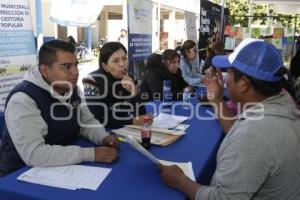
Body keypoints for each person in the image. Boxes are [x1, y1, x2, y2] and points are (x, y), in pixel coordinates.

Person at [158, 38, 300, 199]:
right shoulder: (282, 104)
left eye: (230, 73)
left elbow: (221, 197)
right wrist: (217, 100)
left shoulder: (252, 136)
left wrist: (180, 181)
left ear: (244, 84)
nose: (225, 79)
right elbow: (239, 133)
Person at [0, 40, 119, 177]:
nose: (75, 72)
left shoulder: (71, 88)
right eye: (66, 67)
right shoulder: (23, 100)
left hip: (61, 165)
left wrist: (103, 137)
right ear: (44, 70)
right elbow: (34, 154)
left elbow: (86, 122)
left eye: (76, 65)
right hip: (20, 174)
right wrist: (90, 154)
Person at [83, 42, 146, 129]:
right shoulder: (92, 80)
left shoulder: (130, 79)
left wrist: (134, 93)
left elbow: (141, 115)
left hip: (124, 128)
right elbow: (98, 118)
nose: (122, 64)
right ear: (105, 66)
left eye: (124, 59)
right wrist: (132, 121)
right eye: (116, 61)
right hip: (100, 131)